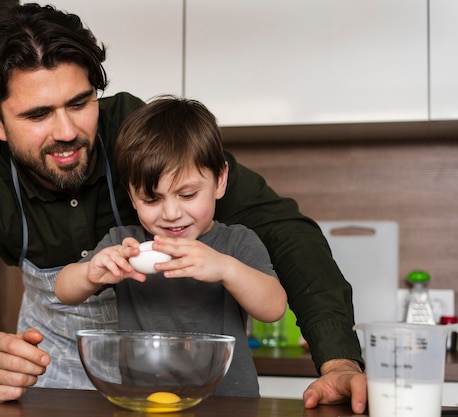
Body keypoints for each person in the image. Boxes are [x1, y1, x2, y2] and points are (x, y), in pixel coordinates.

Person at [0, 2, 366, 411]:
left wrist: (338, 360)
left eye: (80, 102)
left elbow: (282, 228)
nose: (67, 131)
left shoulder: (143, 134)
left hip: (159, 384)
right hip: (50, 380)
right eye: (38, 114)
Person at [55, 96, 288, 397]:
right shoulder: (126, 244)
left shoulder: (236, 242)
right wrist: (90, 273)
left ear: (219, 181)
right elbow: (63, 290)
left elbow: (273, 308)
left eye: (188, 195)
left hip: (229, 402)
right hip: (143, 401)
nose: (171, 213)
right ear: (131, 195)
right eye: (152, 199)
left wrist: (226, 268)